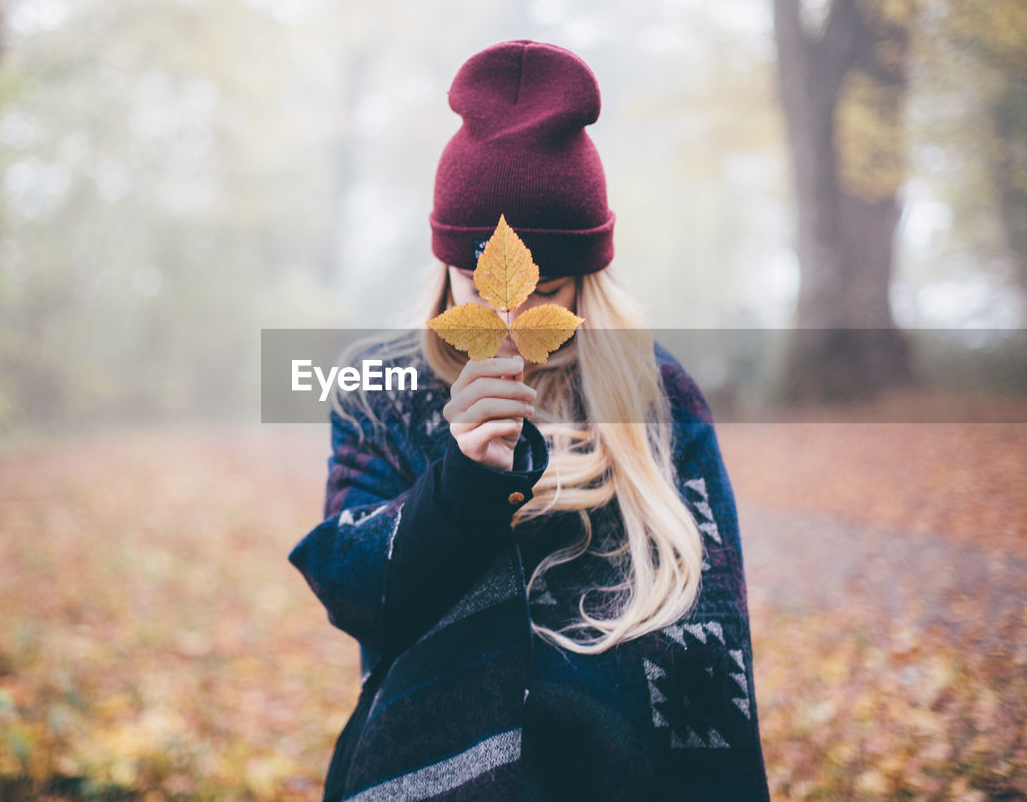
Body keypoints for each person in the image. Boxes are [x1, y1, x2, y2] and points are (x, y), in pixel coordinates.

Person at [288, 40, 770, 801]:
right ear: (446, 260)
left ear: (589, 278)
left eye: (544, 288)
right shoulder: (378, 390)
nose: (512, 321)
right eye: (482, 289)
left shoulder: (661, 398)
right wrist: (464, 480)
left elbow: (714, 663)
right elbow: (357, 598)